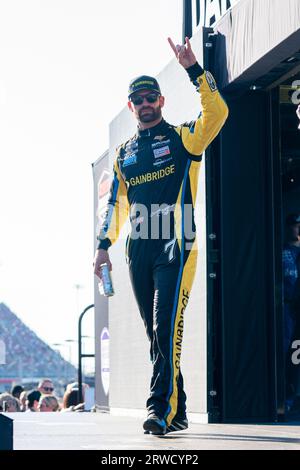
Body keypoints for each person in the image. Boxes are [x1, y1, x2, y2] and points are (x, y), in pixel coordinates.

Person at [93, 37, 229, 435]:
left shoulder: (185, 138)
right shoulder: (124, 155)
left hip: (177, 247)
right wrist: (102, 248)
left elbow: (217, 111)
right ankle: (180, 408)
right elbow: (114, 208)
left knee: (166, 329)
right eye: (139, 99)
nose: (146, 103)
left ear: (162, 101)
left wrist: (193, 71)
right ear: (131, 106)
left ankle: (159, 411)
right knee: (158, 337)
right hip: (139, 252)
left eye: (152, 96)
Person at [283, 213, 300, 416]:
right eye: (295, 226)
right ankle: (286, 398)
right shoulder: (282, 252)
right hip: (286, 309)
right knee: (287, 352)